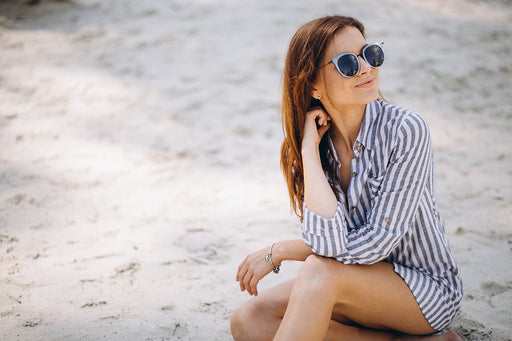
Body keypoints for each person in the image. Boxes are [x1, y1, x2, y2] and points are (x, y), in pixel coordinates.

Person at [230, 15, 463, 341]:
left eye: (370, 54)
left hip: (424, 291)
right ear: (312, 84)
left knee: (317, 270)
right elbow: (326, 243)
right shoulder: (320, 147)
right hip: (352, 281)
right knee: (250, 320)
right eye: (348, 64)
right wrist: (310, 151)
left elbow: (375, 245)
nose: (366, 68)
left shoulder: (406, 130)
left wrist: (282, 250)